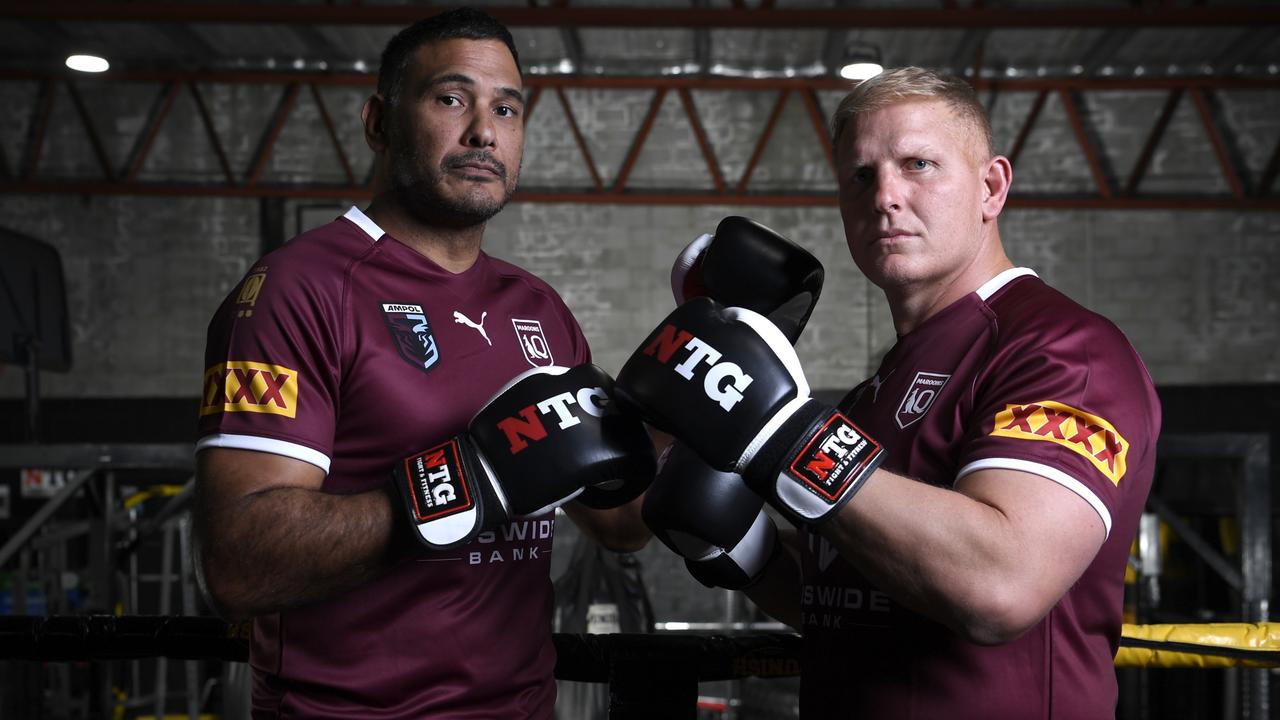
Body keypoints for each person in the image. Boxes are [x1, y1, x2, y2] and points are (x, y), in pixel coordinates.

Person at [622, 67, 1159, 719]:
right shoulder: (873, 393)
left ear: (991, 187)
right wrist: (748, 553)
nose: (885, 196)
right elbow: (852, 597)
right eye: (861, 176)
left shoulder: (1062, 350)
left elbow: (999, 582)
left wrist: (784, 433)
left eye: (919, 164)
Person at [191, 8, 651, 718]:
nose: (484, 132)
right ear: (379, 122)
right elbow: (238, 562)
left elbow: (620, 524)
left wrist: (688, 387)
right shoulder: (299, 289)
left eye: (507, 108)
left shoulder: (540, 309)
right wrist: (473, 482)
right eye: (450, 99)